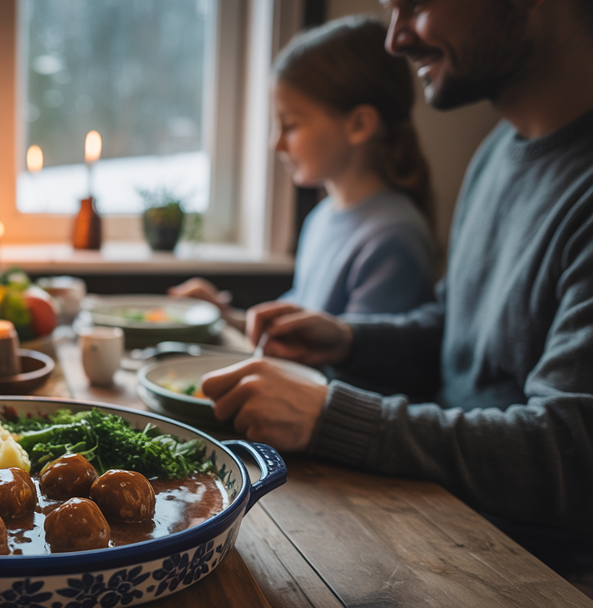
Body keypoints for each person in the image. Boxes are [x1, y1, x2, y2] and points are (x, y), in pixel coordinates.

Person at [201, 0, 593, 578]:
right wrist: (348, 340)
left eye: (417, 4)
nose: (396, 39)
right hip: (442, 521)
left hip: (530, 573)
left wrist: (333, 416)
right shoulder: (498, 154)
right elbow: (456, 327)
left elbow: (573, 455)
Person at [171, 16, 435, 330]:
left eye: (291, 125)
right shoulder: (322, 218)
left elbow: (362, 366)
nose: (276, 143)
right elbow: (299, 331)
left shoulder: (392, 239)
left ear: (360, 124)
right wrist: (225, 319)